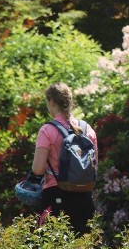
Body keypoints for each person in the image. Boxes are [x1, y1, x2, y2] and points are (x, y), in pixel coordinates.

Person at [30, 82, 97, 235]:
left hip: (56, 197)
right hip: (85, 197)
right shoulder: (87, 129)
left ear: (51, 102)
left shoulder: (47, 130)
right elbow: (94, 165)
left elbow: (38, 169)